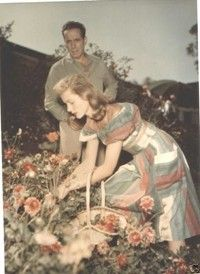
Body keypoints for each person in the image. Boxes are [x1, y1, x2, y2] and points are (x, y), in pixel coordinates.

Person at [54, 74, 200, 254]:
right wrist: (65, 184)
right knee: (114, 194)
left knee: (170, 211)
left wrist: (74, 185)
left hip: (161, 152)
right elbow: (88, 164)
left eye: (71, 102)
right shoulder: (92, 122)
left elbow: (107, 168)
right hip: (143, 156)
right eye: (65, 104)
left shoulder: (115, 116)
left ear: (85, 95)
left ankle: (180, 265)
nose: (68, 109)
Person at [44, 21, 117, 160]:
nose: (73, 45)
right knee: (69, 169)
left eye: (77, 40)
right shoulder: (58, 68)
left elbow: (112, 84)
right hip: (72, 126)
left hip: (97, 122)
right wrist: (66, 117)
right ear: (65, 43)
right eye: (68, 41)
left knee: (98, 167)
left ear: (85, 40)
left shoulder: (99, 63)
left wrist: (104, 101)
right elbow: (49, 101)